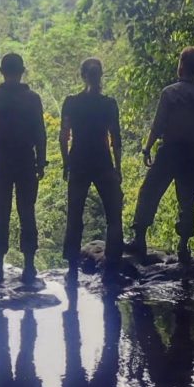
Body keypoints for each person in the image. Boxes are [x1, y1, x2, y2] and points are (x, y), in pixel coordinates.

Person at [127, 47, 194, 264]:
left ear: (181, 65)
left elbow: (158, 124)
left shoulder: (170, 92)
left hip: (170, 150)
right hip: (192, 152)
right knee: (187, 199)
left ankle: (139, 239)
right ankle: (183, 246)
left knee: (150, 191)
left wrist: (147, 148)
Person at [0, 53, 47, 284]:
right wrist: (41, 161)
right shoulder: (32, 99)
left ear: (1, 71)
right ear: (22, 70)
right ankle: (29, 267)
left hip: (2, 160)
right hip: (26, 159)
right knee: (27, 211)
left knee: (1, 213)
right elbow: (40, 132)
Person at [60, 58, 124, 282]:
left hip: (78, 161)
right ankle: (113, 261)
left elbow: (64, 135)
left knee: (75, 214)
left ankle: (71, 266)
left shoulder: (71, 102)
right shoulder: (108, 104)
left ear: (82, 76)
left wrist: (66, 162)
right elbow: (115, 137)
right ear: (100, 76)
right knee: (113, 214)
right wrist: (118, 168)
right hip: (102, 161)